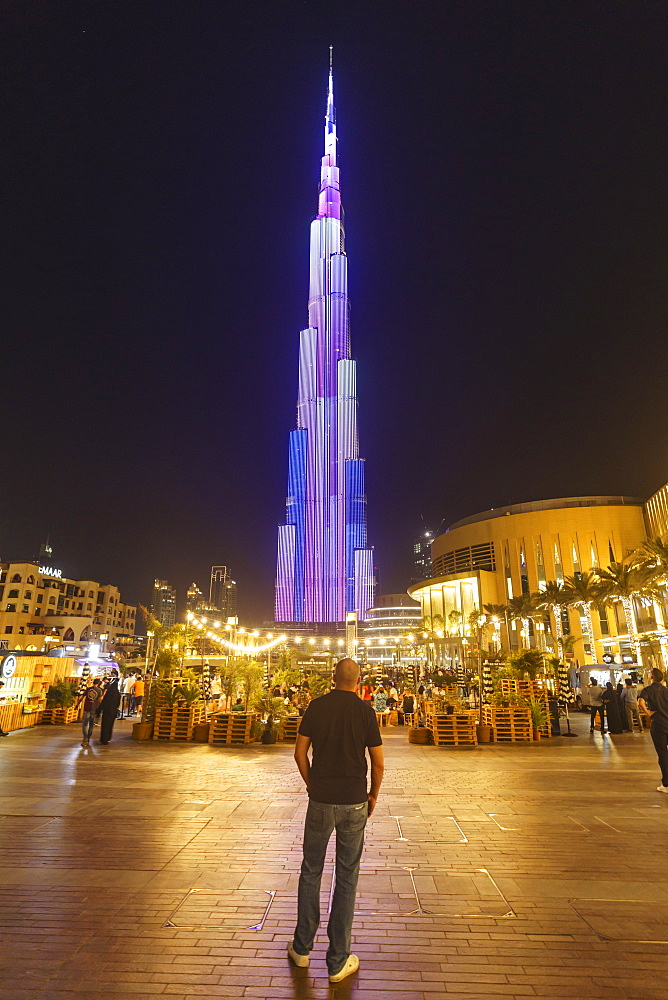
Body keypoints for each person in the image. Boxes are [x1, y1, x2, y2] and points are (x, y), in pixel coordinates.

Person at [289, 658, 384, 983]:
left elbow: (300, 752)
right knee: (346, 876)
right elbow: (378, 762)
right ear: (358, 681)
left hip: (321, 799)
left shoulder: (316, 707)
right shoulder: (365, 711)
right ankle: (338, 961)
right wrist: (372, 795)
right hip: (355, 801)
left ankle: (301, 949)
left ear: (333, 678)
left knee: (311, 870)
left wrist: (311, 783)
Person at [638, 668, 668, 793]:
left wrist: (648, 712)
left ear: (651, 678)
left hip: (658, 724)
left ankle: (666, 784)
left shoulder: (647, 690)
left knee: (662, 753)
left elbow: (640, 702)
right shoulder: (666, 690)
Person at [77, 677, 103, 747]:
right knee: (91, 724)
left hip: (87, 708)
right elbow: (100, 701)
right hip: (94, 709)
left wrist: (77, 705)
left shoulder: (88, 689)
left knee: (85, 724)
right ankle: (88, 738)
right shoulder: (99, 690)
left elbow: (82, 697)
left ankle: (85, 738)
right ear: (98, 683)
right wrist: (99, 710)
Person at [98, 672, 121, 745]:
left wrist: (98, 711)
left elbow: (104, 702)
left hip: (106, 711)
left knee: (105, 725)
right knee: (110, 725)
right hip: (113, 711)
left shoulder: (109, 693)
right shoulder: (117, 694)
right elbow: (118, 703)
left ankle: (103, 739)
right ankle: (108, 738)